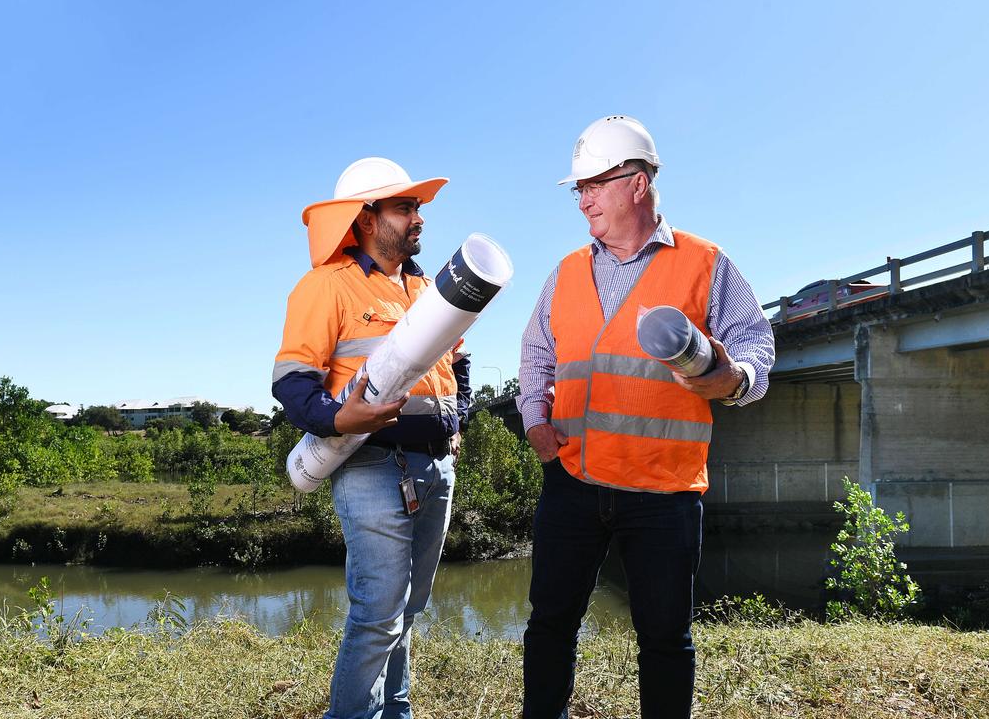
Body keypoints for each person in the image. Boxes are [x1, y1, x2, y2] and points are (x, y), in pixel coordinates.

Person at [517, 116, 775, 718]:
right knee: (549, 624)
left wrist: (733, 378)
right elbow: (537, 350)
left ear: (636, 183)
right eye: (578, 189)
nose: (582, 201)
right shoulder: (566, 271)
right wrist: (534, 418)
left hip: (663, 492)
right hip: (573, 482)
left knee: (664, 639)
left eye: (593, 186)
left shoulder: (705, 263)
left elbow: (756, 344)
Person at [272, 157, 470, 719]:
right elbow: (292, 382)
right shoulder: (325, 287)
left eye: (417, 208)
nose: (418, 218)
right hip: (370, 467)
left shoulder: (426, 288)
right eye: (405, 207)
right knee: (378, 613)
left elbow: (460, 361)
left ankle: (397, 713)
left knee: (409, 609)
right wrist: (340, 422)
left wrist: (458, 422)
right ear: (365, 218)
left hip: (436, 467)